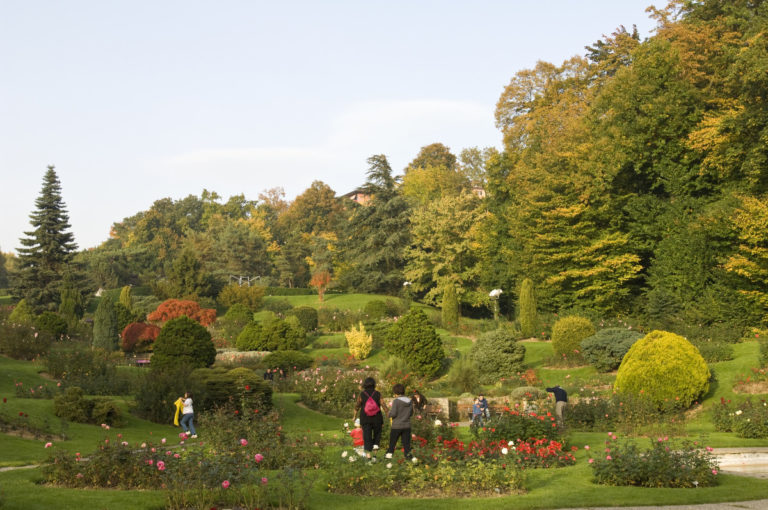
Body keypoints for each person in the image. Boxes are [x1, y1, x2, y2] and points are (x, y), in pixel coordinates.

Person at [355, 377, 386, 460]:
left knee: (367, 437)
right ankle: (375, 457)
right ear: (374, 384)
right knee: (377, 436)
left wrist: (354, 416)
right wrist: (388, 414)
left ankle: (368, 457)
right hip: (377, 418)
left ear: (365, 384)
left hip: (365, 419)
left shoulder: (362, 394)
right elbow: (384, 405)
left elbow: (357, 406)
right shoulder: (378, 394)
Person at [385, 383, 413, 460]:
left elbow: (393, 413)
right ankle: (409, 457)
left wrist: (388, 414)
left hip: (397, 425)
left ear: (396, 392)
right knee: (406, 444)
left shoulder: (396, 401)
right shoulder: (410, 401)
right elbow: (411, 413)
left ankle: (388, 456)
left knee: (392, 443)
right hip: (407, 425)